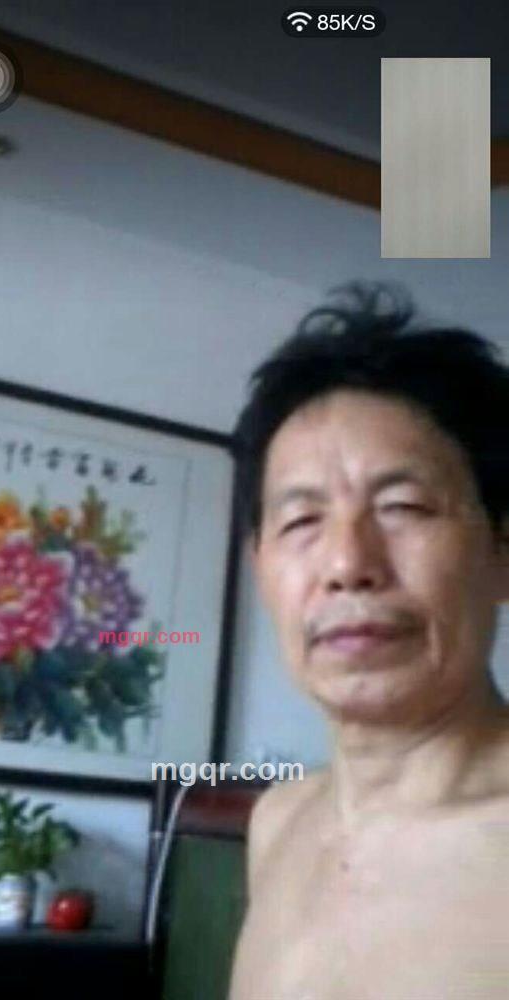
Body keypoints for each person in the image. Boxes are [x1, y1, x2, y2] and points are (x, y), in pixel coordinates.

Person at [228, 283, 509, 1000]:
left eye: (403, 506)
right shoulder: (276, 825)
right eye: (300, 521)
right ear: (260, 566)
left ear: (502, 552)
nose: (348, 563)